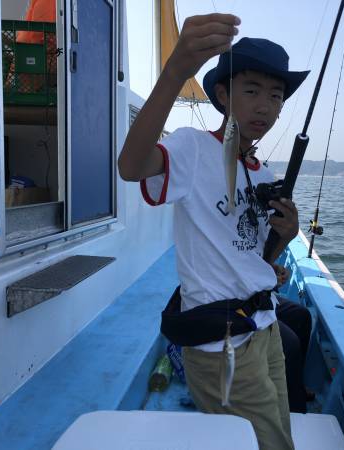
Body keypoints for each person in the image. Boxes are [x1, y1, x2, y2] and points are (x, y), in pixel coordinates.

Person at [118, 14, 309, 450]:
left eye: (276, 96)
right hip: (223, 344)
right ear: (222, 95)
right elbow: (131, 166)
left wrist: (285, 236)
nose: (265, 106)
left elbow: (253, 256)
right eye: (252, 90)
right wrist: (175, 71)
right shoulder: (193, 147)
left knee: (281, 432)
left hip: (264, 327)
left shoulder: (264, 173)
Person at [274, 264, 313, 413]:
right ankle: (294, 407)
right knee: (289, 343)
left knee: (300, 315)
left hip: (257, 297)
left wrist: (272, 268)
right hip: (232, 305)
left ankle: (295, 383)